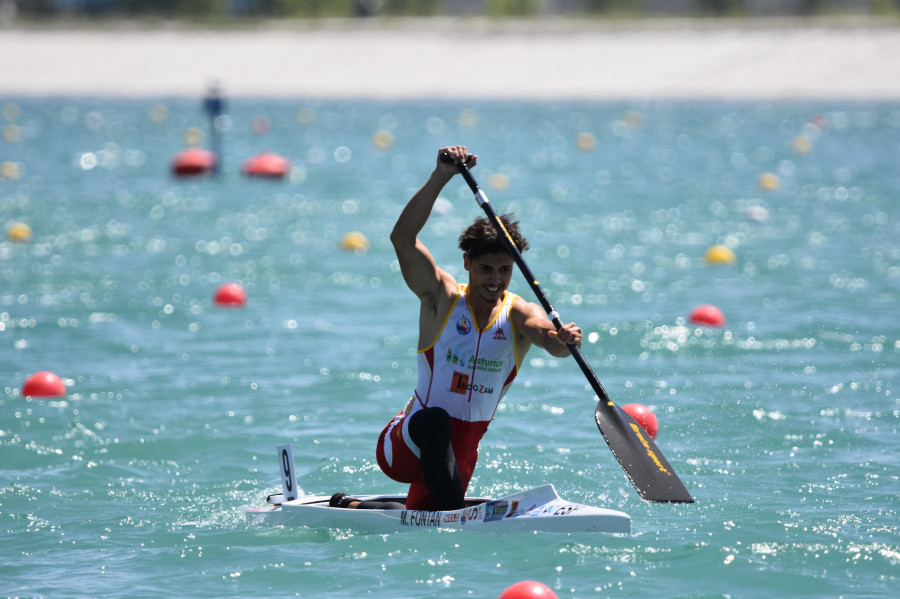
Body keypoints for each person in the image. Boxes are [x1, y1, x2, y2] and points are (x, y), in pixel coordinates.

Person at [330, 145, 582, 511]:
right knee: (436, 422)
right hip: (407, 442)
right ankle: (451, 512)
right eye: (486, 270)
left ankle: (347, 505)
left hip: (462, 452)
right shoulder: (442, 298)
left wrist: (564, 340)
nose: (496, 281)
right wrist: (441, 177)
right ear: (467, 263)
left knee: (423, 518)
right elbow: (401, 240)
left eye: (504, 270)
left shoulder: (517, 314)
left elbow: (549, 340)